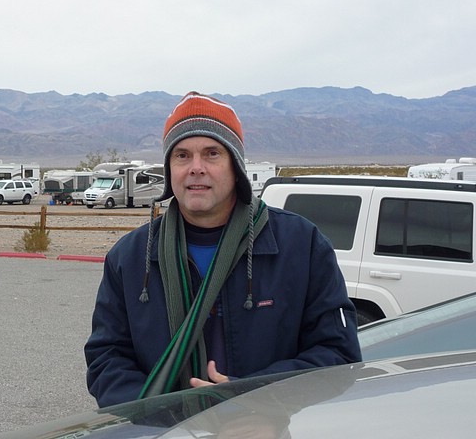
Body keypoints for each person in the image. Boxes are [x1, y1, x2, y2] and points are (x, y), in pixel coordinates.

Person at [84, 91, 361, 407]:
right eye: (182, 155)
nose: (196, 167)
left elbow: (338, 352)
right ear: (169, 168)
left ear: (236, 167)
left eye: (212, 153)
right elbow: (106, 358)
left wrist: (256, 396)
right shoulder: (130, 257)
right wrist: (156, 415)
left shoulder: (301, 245)